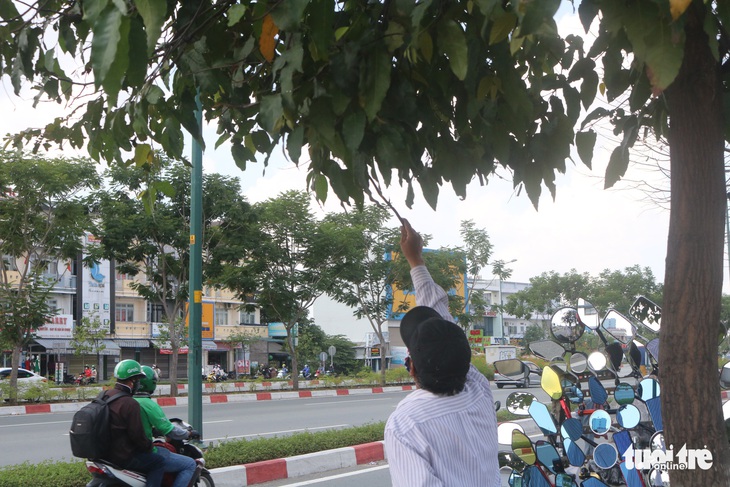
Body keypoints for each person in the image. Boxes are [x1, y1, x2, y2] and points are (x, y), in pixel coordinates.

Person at [384, 219, 500, 486]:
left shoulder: (405, 424)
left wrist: (415, 258)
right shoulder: (478, 388)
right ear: (465, 360)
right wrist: (416, 260)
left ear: (411, 367)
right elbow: (441, 312)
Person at [135, 366, 200, 487]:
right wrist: (188, 434)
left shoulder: (126, 400)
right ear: (151, 383)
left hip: (125, 452)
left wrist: (152, 431)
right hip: (143, 453)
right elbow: (169, 429)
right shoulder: (148, 404)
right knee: (189, 464)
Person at [105, 359, 166, 486]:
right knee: (159, 461)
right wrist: (150, 447)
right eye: (137, 379)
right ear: (132, 380)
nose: (138, 383)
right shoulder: (130, 403)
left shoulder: (105, 395)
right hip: (122, 456)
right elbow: (137, 435)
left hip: (105, 453)